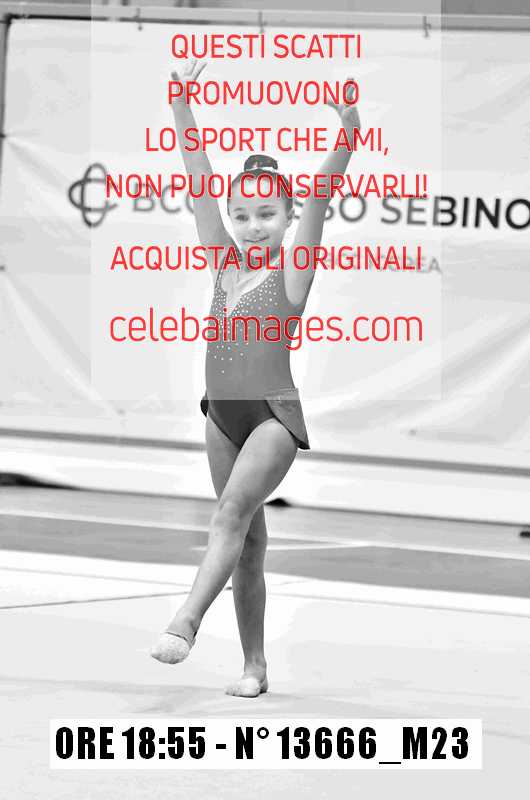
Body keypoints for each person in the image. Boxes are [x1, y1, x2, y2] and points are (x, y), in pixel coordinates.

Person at [151, 59, 360, 697]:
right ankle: (255, 666)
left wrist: (347, 133)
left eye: (267, 215)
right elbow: (199, 183)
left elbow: (320, 195)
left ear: (288, 217)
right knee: (247, 544)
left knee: (230, 514)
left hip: (270, 414)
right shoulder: (222, 262)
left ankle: (185, 621)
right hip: (221, 413)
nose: (251, 226)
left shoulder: (293, 273)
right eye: (241, 216)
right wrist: (182, 106)